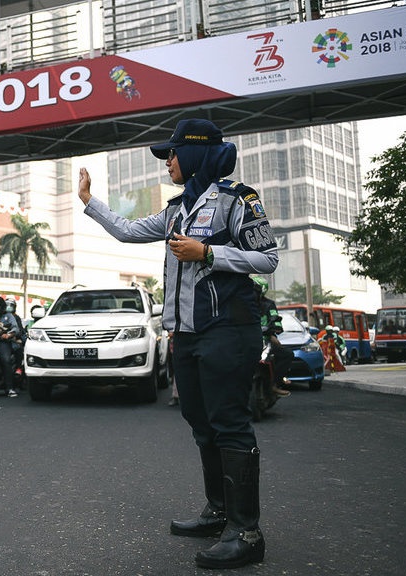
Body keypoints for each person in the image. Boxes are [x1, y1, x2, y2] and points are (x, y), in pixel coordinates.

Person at [77, 118, 278, 569]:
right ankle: (219, 512)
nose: (167, 162)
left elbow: (268, 258)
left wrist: (208, 253)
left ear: (194, 155)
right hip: (186, 336)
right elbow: (128, 231)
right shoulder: (175, 211)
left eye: (171, 154)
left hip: (229, 329)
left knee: (229, 423)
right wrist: (90, 202)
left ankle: (247, 532)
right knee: (201, 422)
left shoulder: (237, 200)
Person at [252, 277, 292, 397]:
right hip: (245, 338)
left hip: (265, 339)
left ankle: (275, 384)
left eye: (254, 288)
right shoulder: (243, 302)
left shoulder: (269, 304)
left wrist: (274, 329)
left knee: (287, 354)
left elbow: (276, 322)